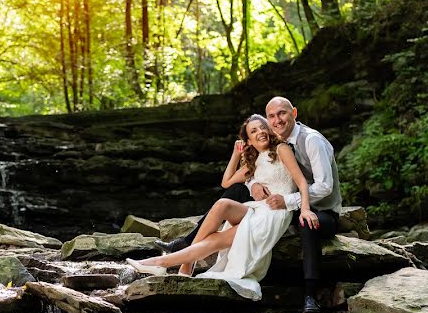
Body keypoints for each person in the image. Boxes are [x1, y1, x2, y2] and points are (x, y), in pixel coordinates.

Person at [155, 96, 342, 313]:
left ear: (295, 113)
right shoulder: (274, 143)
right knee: (235, 191)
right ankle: (186, 244)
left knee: (307, 224)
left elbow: (324, 186)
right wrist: (253, 184)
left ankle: (311, 295)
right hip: (284, 203)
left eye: (282, 113)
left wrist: (289, 201)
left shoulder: (311, 140)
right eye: (271, 116)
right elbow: (258, 170)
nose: (277, 120)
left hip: (321, 209)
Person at [126, 115, 319, 300]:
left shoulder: (281, 149)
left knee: (216, 240)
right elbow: (226, 182)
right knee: (222, 204)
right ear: (249, 141)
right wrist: (236, 155)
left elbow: (302, 182)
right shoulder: (255, 160)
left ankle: (161, 263)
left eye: (262, 127)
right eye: (254, 131)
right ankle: (183, 265)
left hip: (275, 213)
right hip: (257, 209)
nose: (260, 131)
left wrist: (304, 209)